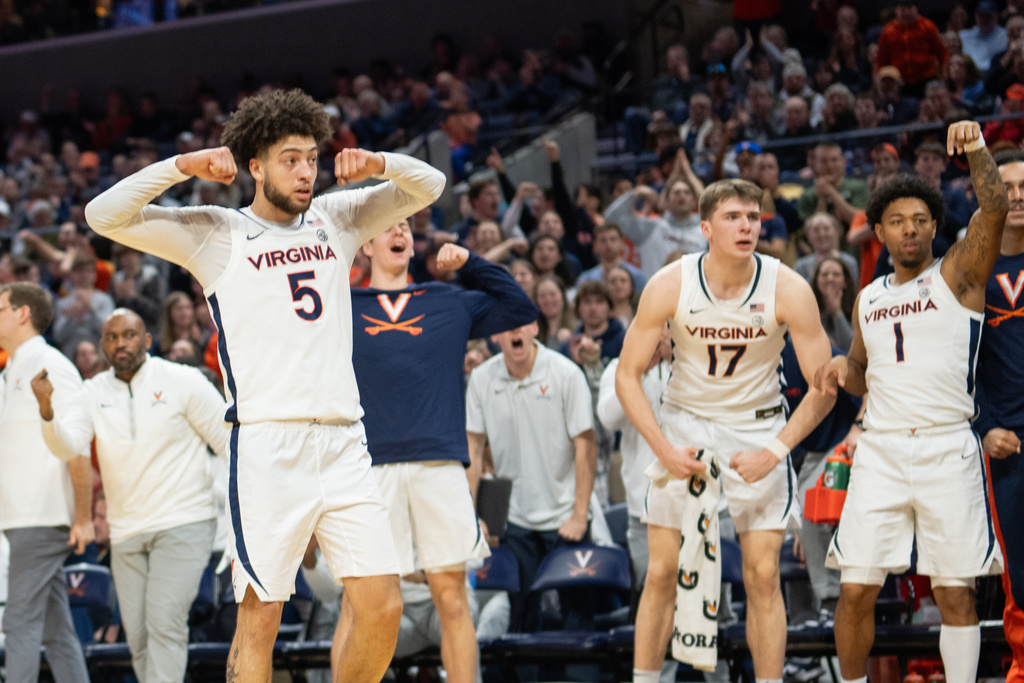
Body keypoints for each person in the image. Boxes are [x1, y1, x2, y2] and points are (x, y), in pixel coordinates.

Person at [83, 88, 446, 682]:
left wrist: (380, 164)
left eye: (311, 158)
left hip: (344, 442)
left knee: (382, 608)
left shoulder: (338, 216)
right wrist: (183, 167)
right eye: (290, 159)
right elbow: (104, 216)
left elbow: (428, 185)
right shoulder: (216, 232)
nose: (306, 172)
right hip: (267, 447)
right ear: (254, 165)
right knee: (261, 620)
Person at [616, 178, 836, 682]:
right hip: (685, 423)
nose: (746, 226)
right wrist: (664, 449)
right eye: (734, 217)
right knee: (662, 573)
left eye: (754, 217)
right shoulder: (670, 283)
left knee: (762, 575)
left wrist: (775, 452)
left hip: (757, 428)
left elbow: (824, 387)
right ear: (705, 228)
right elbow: (628, 377)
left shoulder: (789, 287)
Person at [815, 121, 1008, 683]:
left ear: (933, 228)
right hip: (881, 452)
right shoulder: (868, 296)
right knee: (854, 589)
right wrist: (839, 370)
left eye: (920, 221)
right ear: (879, 229)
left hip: (948, 446)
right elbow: (859, 372)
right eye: (897, 222)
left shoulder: (958, 277)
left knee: (955, 593)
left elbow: (993, 211)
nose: (909, 231)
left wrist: (975, 149)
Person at [347, 222, 537, 683]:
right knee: (361, 609)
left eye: (406, 227)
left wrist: (472, 262)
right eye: (385, 226)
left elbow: (520, 306)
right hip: (368, 469)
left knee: (452, 597)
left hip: (440, 463)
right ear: (365, 245)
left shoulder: (447, 300)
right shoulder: (339, 305)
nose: (399, 232)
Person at [30, 308, 228, 683]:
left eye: (130, 335)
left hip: (184, 520)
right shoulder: (92, 393)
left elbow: (228, 443)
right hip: (125, 530)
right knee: (136, 635)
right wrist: (47, 412)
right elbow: (67, 446)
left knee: (164, 622)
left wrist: (244, 516)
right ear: (103, 343)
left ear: (148, 340)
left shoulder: (182, 381)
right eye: (112, 337)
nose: (121, 343)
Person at [465, 320, 597, 633]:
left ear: (535, 329)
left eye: (521, 324)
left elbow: (586, 446)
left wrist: (580, 515)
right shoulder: (482, 378)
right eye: (506, 325)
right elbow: (473, 447)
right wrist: (471, 514)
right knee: (521, 625)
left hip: (567, 516)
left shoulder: (566, 374)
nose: (514, 331)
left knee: (579, 623)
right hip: (515, 520)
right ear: (495, 333)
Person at [0, 281, 93, 683]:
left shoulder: (50, 364)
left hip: (40, 517)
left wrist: (84, 517)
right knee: (57, 632)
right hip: (24, 517)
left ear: (22, 313)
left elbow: (77, 443)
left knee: (18, 624)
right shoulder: (15, 366)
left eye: (0, 307)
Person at [967, 149, 1024, 682]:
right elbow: (952, 365)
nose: (1019, 195)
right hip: (1007, 445)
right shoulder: (969, 273)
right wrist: (985, 427)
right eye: (1006, 186)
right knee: (1021, 575)